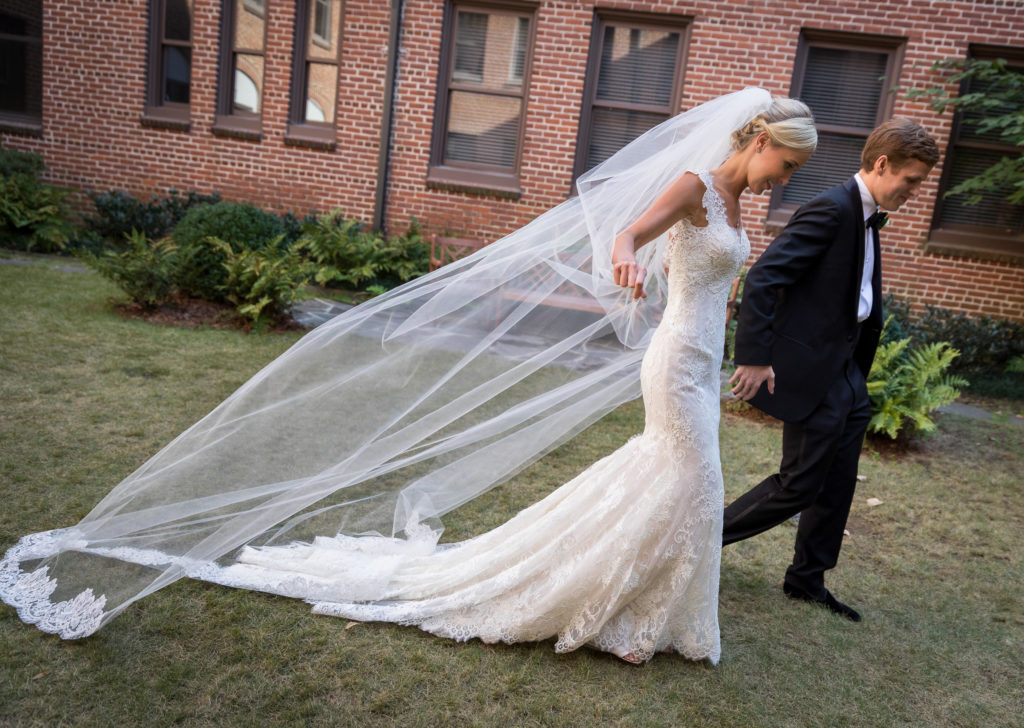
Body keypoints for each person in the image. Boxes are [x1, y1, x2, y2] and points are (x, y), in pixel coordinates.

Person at [0, 89, 813, 666]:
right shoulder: (696, 188)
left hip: (705, 360)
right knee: (696, 482)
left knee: (676, 483)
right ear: (755, 139)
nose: (788, 176)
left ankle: (644, 616)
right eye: (786, 160)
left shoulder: (746, 208)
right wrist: (628, 262)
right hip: (674, 361)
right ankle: (619, 616)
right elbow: (626, 234)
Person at [724, 119, 941, 622]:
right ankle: (696, 543)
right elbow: (763, 281)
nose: (914, 192)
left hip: (849, 373)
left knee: (838, 480)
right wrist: (754, 357)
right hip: (814, 370)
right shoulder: (830, 208)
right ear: (882, 164)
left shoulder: (867, 216)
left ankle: (807, 579)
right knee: (799, 483)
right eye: (910, 181)